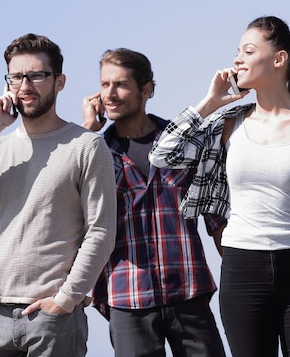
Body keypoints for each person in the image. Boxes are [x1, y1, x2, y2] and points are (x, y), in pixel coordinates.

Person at [149, 15, 290, 357]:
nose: (237, 60)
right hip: (242, 271)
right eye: (237, 52)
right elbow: (162, 155)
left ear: (279, 59)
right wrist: (210, 103)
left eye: (248, 51)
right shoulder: (226, 124)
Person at [0, 33, 117, 356]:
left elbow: (101, 231)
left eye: (37, 75)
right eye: (16, 76)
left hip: (52, 316)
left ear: (59, 81)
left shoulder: (87, 146)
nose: (25, 85)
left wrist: (66, 299)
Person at [81, 48, 227, 357]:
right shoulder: (95, 153)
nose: (110, 94)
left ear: (147, 89)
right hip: (127, 298)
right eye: (104, 84)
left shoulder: (186, 144)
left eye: (120, 84)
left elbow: (217, 221)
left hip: (188, 292)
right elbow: (68, 209)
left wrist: (243, 281)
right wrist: (87, 133)